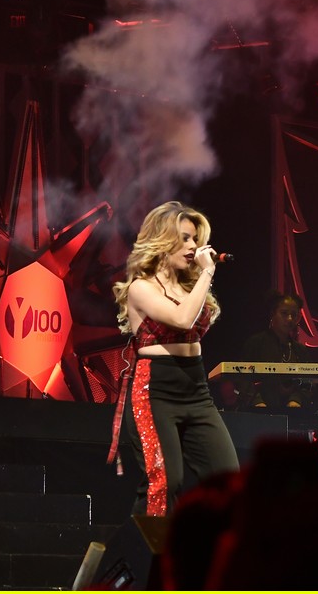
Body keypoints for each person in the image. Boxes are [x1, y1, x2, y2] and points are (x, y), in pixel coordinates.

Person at [107, 201, 239, 516]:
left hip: (196, 387)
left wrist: (201, 276)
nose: (193, 246)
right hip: (156, 390)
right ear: (162, 241)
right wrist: (208, 271)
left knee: (228, 481)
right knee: (164, 485)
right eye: (184, 238)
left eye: (195, 238)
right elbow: (181, 320)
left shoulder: (190, 286)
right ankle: (141, 561)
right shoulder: (141, 288)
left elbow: (192, 318)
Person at [239, 291, 311, 409]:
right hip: (258, 411)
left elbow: (308, 381)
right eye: (284, 313)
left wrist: (296, 399)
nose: (289, 319)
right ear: (272, 314)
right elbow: (242, 378)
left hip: (293, 412)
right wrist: (257, 402)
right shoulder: (256, 343)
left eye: (294, 315)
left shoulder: (300, 350)